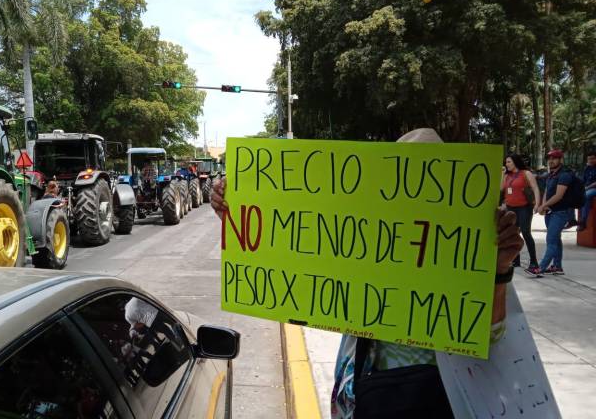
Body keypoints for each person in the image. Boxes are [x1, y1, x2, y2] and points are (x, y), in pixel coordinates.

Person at [211, 129, 524, 418]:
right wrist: (237, 205)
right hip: (369, 394)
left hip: (437, 399)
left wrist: (498, 268)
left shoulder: (471, 237)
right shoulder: (373, 235)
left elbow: (490, 334)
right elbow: (297, 252)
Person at [534, 149, 573, 275]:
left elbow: (559, 195)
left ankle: (540, 268)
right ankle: (557, 266)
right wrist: (543, 206)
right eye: (549, 159)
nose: (551, 161)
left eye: (554, 158)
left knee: (551, 240)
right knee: (556, 239)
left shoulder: (565, 175)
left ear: (561, 160)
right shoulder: (551, 174)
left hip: (561, 212)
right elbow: (547, 191)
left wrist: (544, 205)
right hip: (551, 212)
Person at [501, 154, 541, 271]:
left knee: (525, 232)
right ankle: (515, 260)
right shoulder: (507, 175)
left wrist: (537, 204)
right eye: (506, 162)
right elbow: (501, 189)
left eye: (508, 162)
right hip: (510, 207)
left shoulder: (525, 173)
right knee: (513, 233)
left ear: (515, 162)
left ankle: (534, 262)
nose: (506, 164)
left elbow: (535, 188)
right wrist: (502, 175)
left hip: (524, 207)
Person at [578, 151, 596, 231]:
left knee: (586, 195)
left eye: (593, 158)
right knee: (572, 194)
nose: (591, 160)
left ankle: (583, 221)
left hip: (594, 189)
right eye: (589, 159)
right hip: (587, 188)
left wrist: (586, 188)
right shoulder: (587, 168)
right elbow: (583, 180)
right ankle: (571, 219)